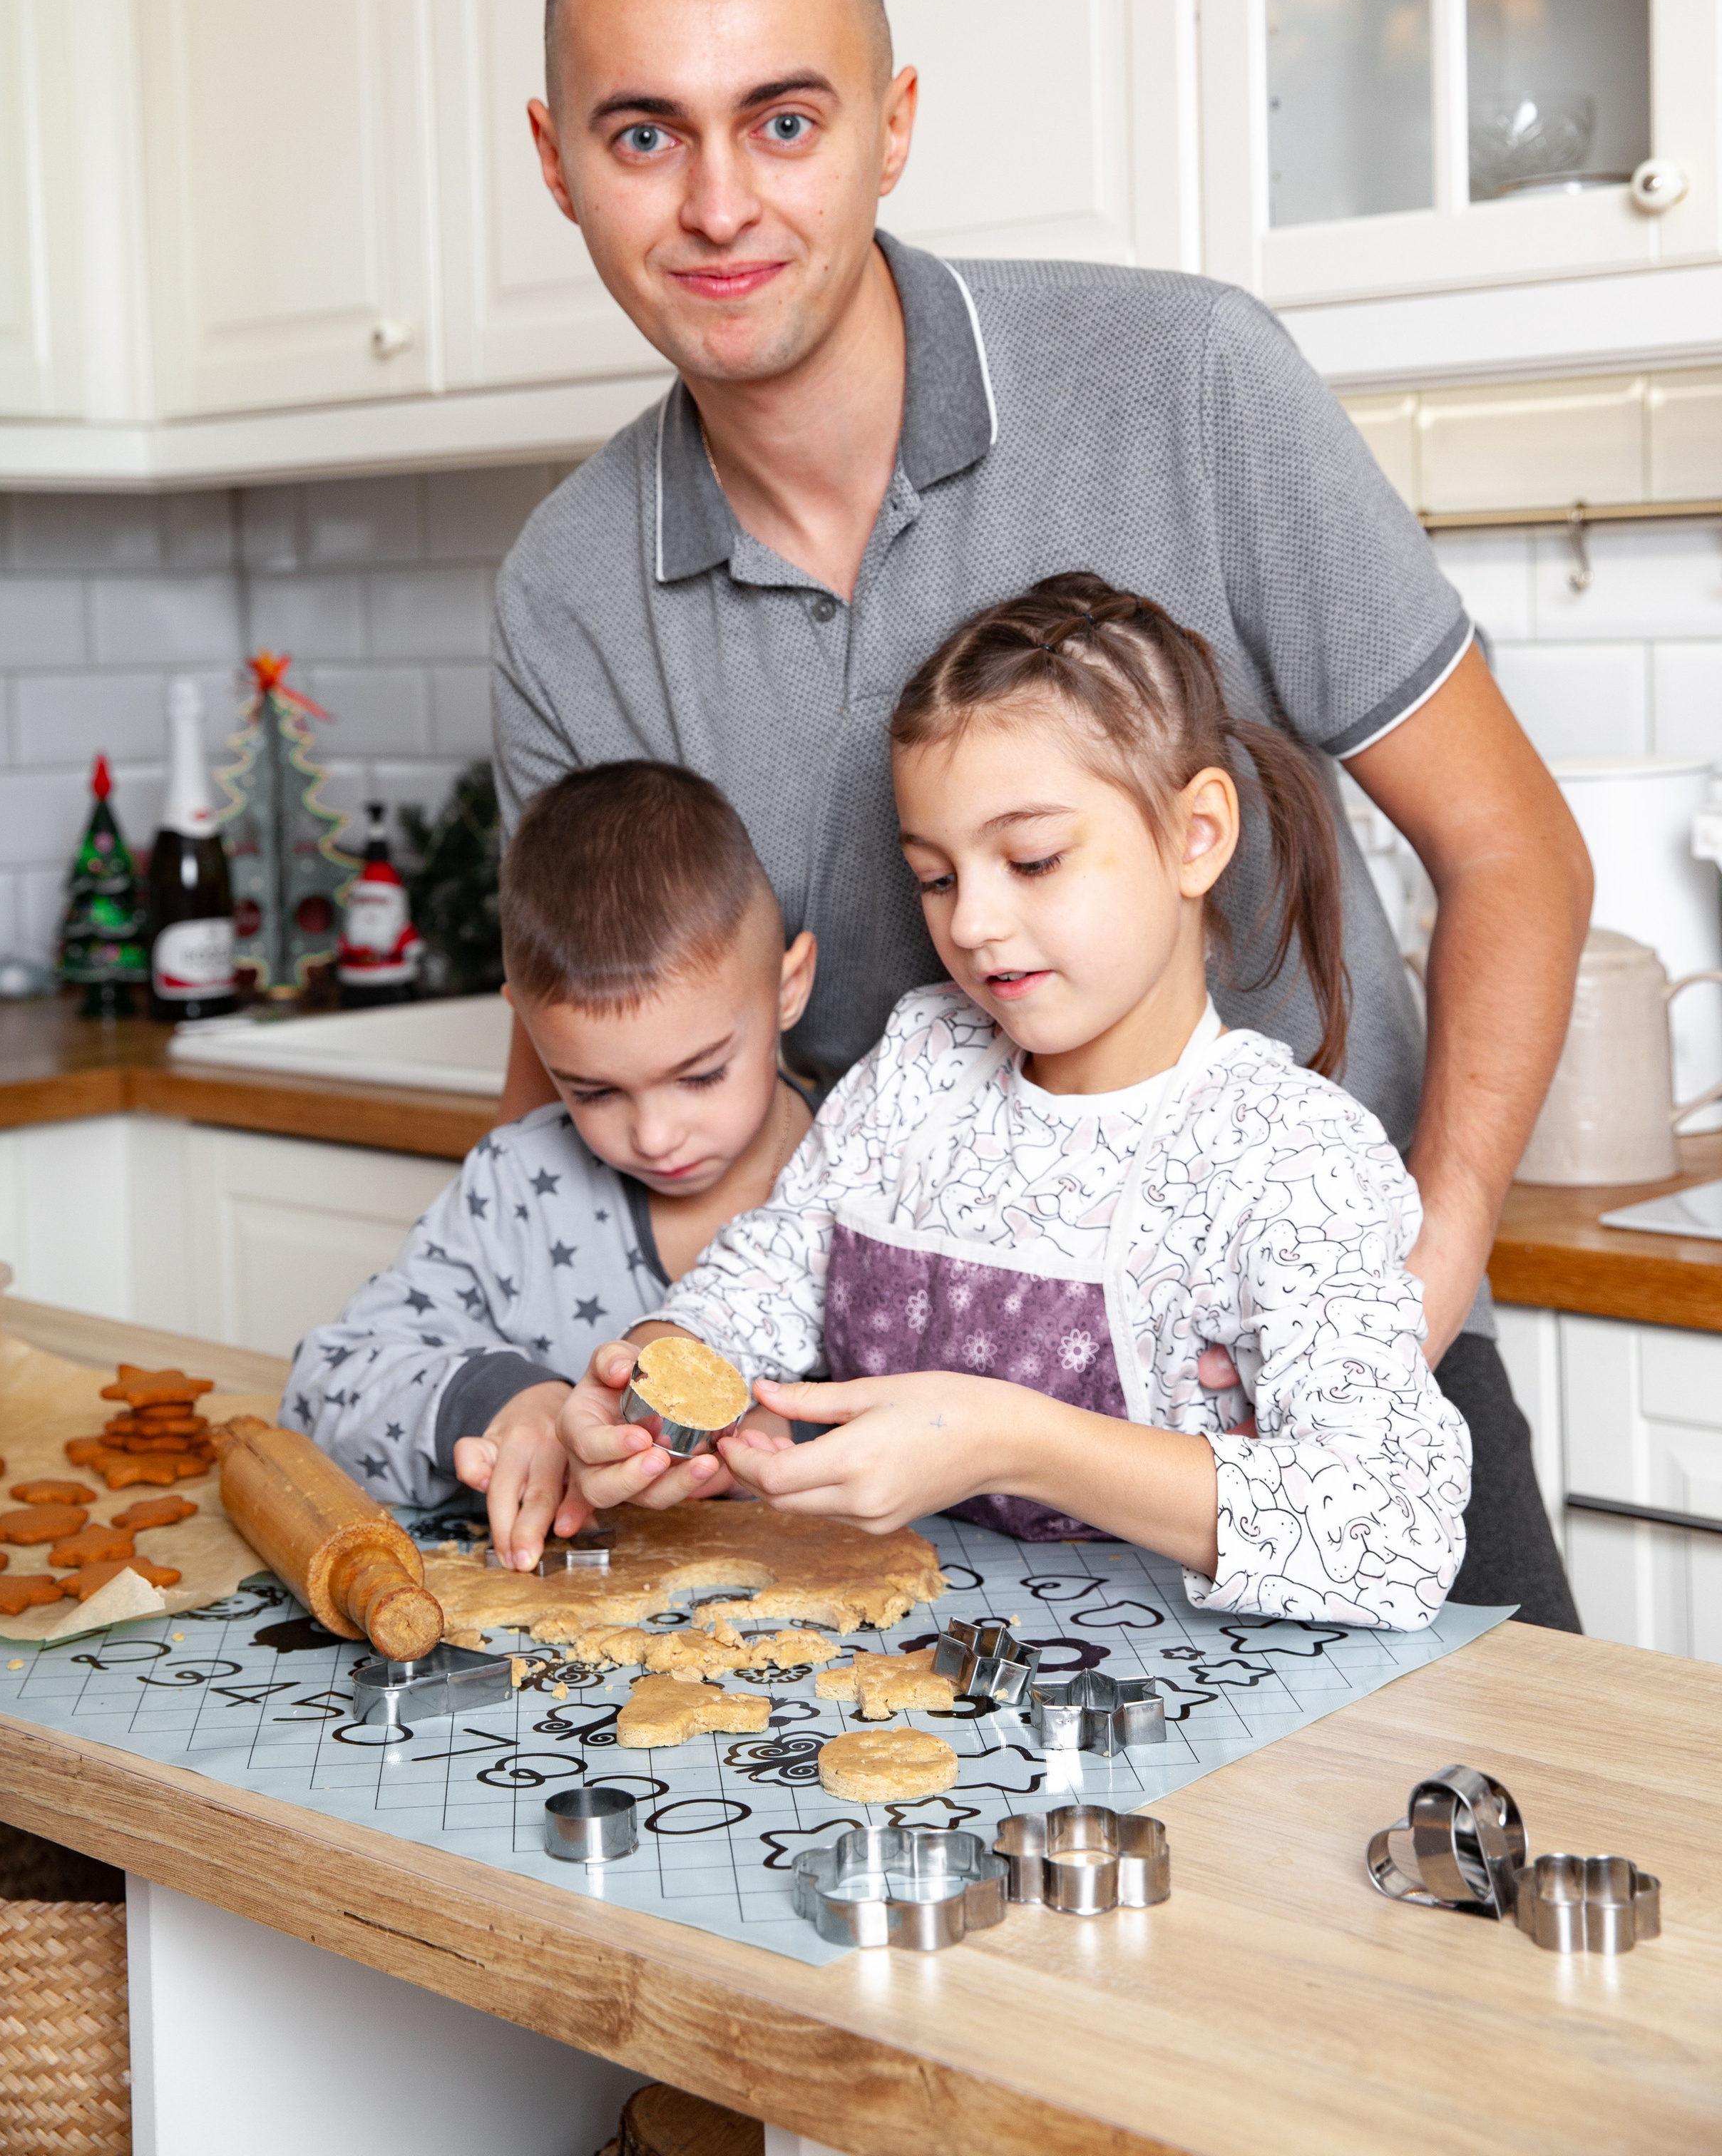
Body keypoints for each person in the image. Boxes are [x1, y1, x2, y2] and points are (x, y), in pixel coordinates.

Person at [492, 0, 1591, 1628]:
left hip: (1310, 1390)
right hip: (911, 1464)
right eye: (641, 136)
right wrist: (591, 1378)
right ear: (553, 159)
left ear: (890, 124)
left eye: (781, 120)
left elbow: (1512, 851)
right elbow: (581, 1029)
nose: (715, 203)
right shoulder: (566, 584)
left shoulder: (1190, 382)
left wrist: (1421, 1285)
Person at [555, 578, 1470, 1632]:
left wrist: (1014, 1440)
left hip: (1191, 1711)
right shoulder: (922, 1059)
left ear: (1197, 835)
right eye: (937, 879)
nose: (976, 924)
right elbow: (779, 1266)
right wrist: (665, 1375)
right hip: (905, 1661)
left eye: (1031, 860)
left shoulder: (1288, 1156)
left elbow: (1397, 1533)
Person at [279, 762, 814, 1567]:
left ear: (787, 987)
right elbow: (320, 1390)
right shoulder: (519, 1190)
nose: (656, 1135)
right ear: (531, 1033)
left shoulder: (874, 1180)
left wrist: (790, 1445)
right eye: (594, 1090)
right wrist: (504, 1404)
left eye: (700, 1074)